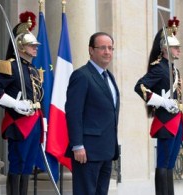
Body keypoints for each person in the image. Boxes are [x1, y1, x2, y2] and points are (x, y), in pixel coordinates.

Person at [0, 11, 42, 195]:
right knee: (19, 163)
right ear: (20, 46)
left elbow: (38, 96)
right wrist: (14, 104)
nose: (35, 48)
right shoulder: (11, 66)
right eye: (31, 45)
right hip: (19, 122)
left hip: (35, 121)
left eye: (35, 45)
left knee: (29, 165)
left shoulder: (33, 69)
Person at [65, 32, 120, 195]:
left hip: (106, 150)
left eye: (110, 48)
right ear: (91, 50)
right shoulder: (82, 75)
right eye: (102, 47)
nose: (107, 52)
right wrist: (77, 145)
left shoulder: (109, 76)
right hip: (87, 152)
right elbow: (73, 112)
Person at [134, 16, 183, 195]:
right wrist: (162, 101)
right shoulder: (158, 68)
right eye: (176, 47)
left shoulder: (173, 70)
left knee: (170, 163)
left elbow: (178, 96)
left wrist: (181, 118)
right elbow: (139, 86)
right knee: (163, 163)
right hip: (165, 122)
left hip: (176, 120)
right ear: (166, 49)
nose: (179, 50)